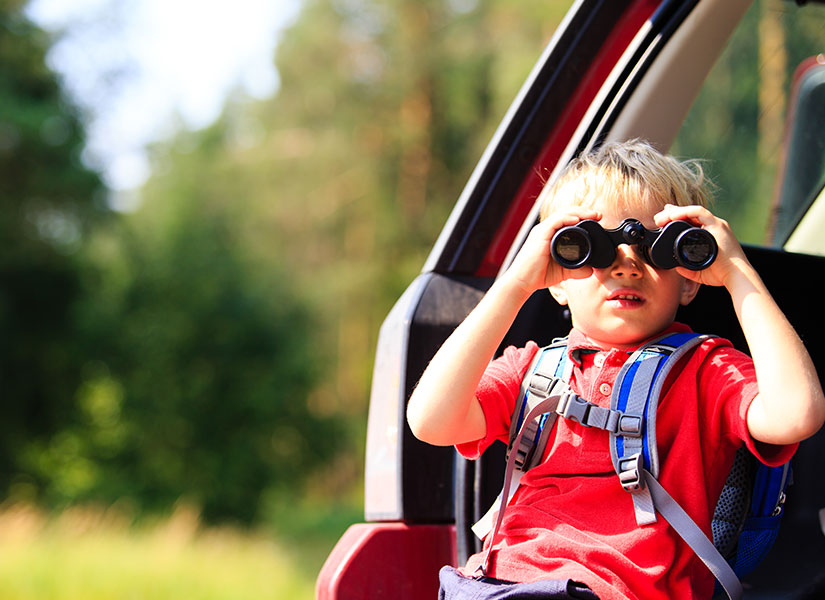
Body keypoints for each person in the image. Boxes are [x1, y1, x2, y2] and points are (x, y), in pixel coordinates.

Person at [406, 139, 825, 600]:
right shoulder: (531, 368)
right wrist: (516, 283)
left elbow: (797, 413)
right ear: (558, 275)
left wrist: (736, 272)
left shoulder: (709, 372)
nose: (627, 265)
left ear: (689, 277)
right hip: (502, 586)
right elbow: (431, 420)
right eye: (592, 247)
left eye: (655, 248)